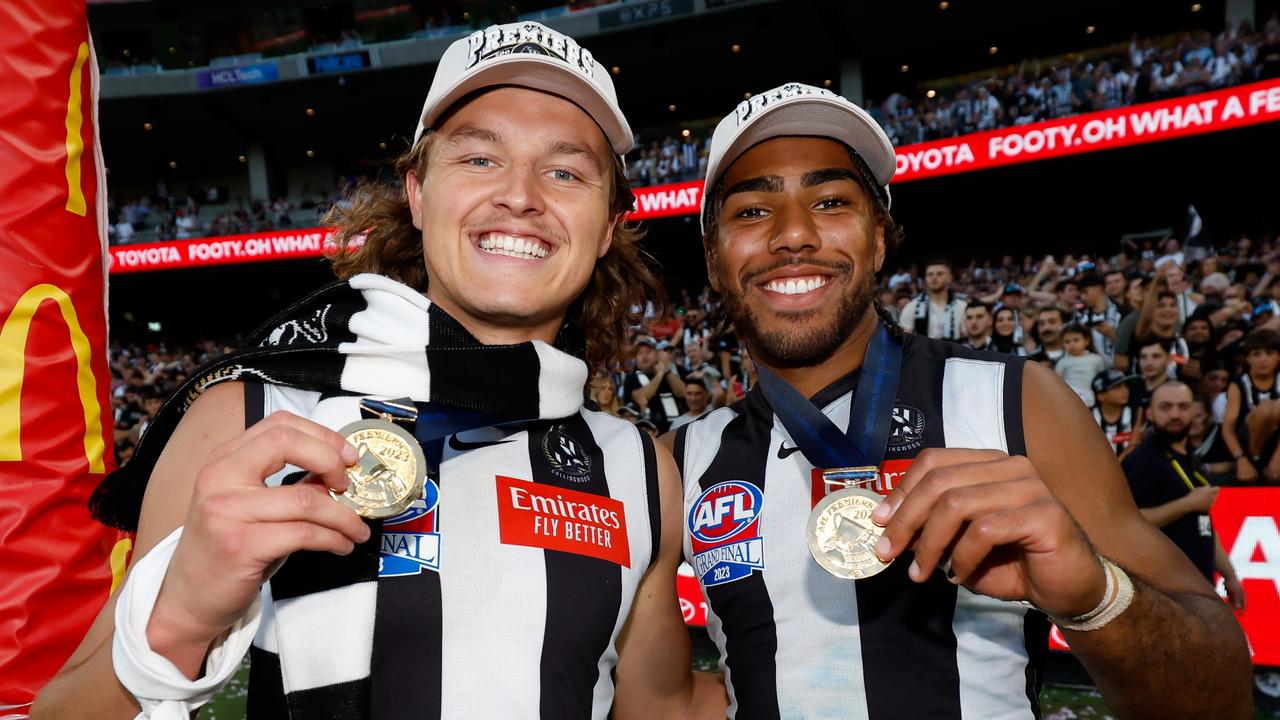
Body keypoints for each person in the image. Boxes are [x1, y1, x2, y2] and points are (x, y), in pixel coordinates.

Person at [35, 22, 721, 720]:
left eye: (565, 171)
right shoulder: (255, 416)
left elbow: (660, 708)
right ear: (418, 194)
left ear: (607, 225)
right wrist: (176, 621)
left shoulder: (636, 465)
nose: (521, 195)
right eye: (480, 159)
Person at [672, 81, 1250, 719]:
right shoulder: (681, 457)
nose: (794, 234)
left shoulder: (1020, 399)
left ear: (881, 238)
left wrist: (1093, 595)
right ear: (713, 257)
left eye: (832, 200)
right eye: (752, 211)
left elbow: (1220, 698)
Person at [1121, 382, 1245, 608]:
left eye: (1183, 406)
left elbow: (1203, 524)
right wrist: (1187, 504)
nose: (1175, 414)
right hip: (1162, 594)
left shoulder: (1192, 457)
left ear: (1194, 411)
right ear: (1151, 412)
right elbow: (1129, 522)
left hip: (1201, 587)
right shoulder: (1142, 460)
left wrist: (1229, 575)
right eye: (1166, 407)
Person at [1222, 327, 1280, 483]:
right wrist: (1241, 459)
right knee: (1268, 409)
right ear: (1247, 358)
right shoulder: (1239, 384)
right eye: (1256, 354)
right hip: (1246, 444)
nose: (1263, 359)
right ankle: (1255, 459)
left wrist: (1277, 459)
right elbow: (1228, 427)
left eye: (1269, 353)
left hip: (1275, 444)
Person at [624, 337, 687, 433]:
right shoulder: (631, 378)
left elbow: (683, 393)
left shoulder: (671, 373)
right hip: (649, 432)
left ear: (657, 354)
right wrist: (660, 374)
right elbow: (641, 397)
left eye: (648, 352)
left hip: (676, 428)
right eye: (640, 353)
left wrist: (666, 371)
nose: (644, 356)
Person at [899, 259, 966, 340]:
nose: (934, 277)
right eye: (930, 274)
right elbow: (904, 340)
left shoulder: (962, 307)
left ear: (950, 278)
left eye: (939, 274)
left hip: (955, 351)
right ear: (925, 278)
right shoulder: (912, 307)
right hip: (922, 351)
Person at [1092, 368, 1143, 457]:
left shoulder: (1135, 412)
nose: (1125, 390)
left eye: (1125, 385)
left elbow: (1133, 445)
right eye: (1118, 387)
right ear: (1101, 395)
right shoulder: (1089, 416)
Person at [1056, 323, 1107, 406]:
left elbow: (1101, 378)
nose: (1072, 344)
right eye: (1067, 342)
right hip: (1069, 397)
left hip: (1090, 396)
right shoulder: (1062, 362)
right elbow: (1057, 381)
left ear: (1086, 340)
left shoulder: (1096, 359)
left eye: (1076, 340)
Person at [1077, 273, 1122, 362]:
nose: (1083, 297)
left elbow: (1132, 345)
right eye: (1080, 294)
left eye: (1085, 292)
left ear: (1100, 288)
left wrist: (1113, 335)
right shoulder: (1081, 319)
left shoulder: (1121, 312)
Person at [1129, 337, 1173, 410]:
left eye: (1156, 356)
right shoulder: (1129, 391)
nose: (1149, 363)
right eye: (1143, 357)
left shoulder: (1177, 391)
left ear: (1169, 359)